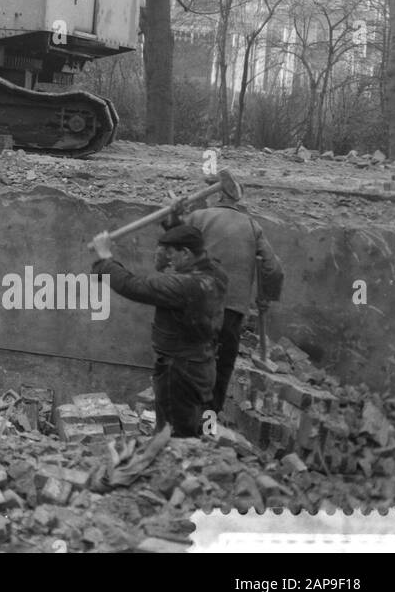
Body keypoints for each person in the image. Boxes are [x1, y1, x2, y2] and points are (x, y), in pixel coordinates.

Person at [89, 225, 227, 438]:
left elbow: (132, 286)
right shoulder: (216, 275)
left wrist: (105, 258)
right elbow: (187, 243)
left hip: (179, 372)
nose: (168, 260)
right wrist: (173, 225)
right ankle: (202, 449)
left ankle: (177, 456)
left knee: (173, 436)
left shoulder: (184, 286)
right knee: (198, 426)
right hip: (204, 366)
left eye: (171, 254)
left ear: (186, 253)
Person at [171, 185, 283, 414]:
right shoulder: (252, 225)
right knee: (222, 368)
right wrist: (266, 297)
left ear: (218, 195)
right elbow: (273, 268)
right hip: (232, 310)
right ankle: (209, 422)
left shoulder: (198, 217)